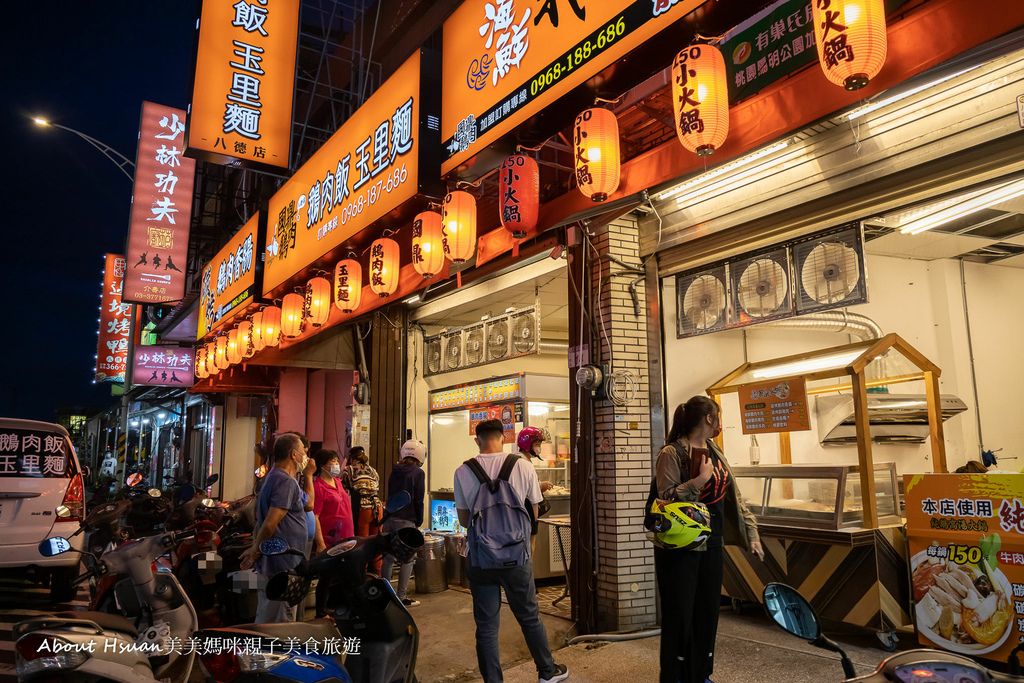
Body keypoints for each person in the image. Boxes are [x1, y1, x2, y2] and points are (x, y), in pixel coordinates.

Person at [652, 396, 763, 683]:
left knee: (707, 611)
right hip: (680, 546)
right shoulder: (671, 452)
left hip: (711, 541)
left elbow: (734, 497)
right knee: (679, 613)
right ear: (710, 419)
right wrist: (698, 482)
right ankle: (674, 676)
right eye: (719, 416)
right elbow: (664, 499)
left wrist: (752, 534)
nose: (721, 422)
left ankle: (700, 674)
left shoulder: (716, 451)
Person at [455, 419, 569, 683]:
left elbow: (463, 520)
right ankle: (546, 671)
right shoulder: (523, 466)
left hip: (480, 559)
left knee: (485, 627)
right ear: (504, 437)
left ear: (477, 440)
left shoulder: (463, 471)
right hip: (516, 557)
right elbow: (534, 512)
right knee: (529, 617)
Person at [240, 432, 312, 623]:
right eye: (303, 452)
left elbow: (308, 504)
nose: (306, 457)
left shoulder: (276, 477)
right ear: (293, 455)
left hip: (279, 561)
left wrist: (256, 546)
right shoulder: (285, 481)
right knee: (281, 621)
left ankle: (263, 651)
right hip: (283, 564)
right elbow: (271, 522)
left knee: (268, 615)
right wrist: (256, 551)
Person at [380, 439, 426, 608]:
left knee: (388, 557)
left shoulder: (395, 470)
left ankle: (385, 594)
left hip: (390, 516)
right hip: (406, 518)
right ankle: (401, 596)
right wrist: (418, 520)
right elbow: (418, 499)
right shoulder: (417, 472)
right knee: (408, 557)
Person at [312, 449, 355, 618]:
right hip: (330, 540)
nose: (337, 464)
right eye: (333, 461)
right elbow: (315, 516)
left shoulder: (338, 482)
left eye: (337, 460)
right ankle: (321, 613)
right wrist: (320, 542)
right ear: (323, 465)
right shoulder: (318, 487)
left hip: (346, 537)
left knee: (342, 576)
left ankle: (335, 609)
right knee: (327, 577)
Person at [343, 445, 383, 574]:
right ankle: (378, 573)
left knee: (362, 543)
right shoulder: (373, 470)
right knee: (376, 542)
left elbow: (344, 489)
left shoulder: (348, 469)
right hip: (378, 507)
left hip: (363, 507)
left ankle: (362, 573)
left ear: (351, 458)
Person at [516, 426, 552, 559]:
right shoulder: (525, 464)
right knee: (530, 547)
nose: (539, 448)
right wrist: (534, 521)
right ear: (527, 444)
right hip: (528, 512)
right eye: (537, 444)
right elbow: (532, 496)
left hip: (517, 513)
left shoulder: (516, 460)